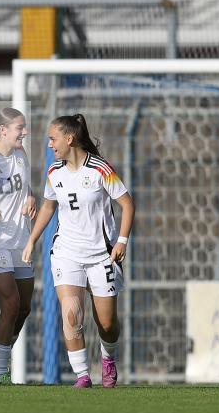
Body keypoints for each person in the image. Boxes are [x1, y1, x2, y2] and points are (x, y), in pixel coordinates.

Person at [21, 114, 135, 388]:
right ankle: (82, 376)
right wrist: (32, 240)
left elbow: (128, 205)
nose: (50, 145)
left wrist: (121, 241)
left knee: (107, 324)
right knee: (72, 313)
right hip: (66, 252)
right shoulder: (54, 172)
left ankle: (108, 359)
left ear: (69, 138)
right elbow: (49, 206)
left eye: (53, 138)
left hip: (101, 255)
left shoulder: (100, 169)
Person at [0, 108, 37, 384]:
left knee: (24, 307)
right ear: (3, 130)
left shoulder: (21, 156)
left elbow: (25, 188)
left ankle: (0, 350)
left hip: (21, 242)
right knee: (11, 303)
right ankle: (1, 373)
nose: (24, 132)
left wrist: (31, 195)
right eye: (19, 128)